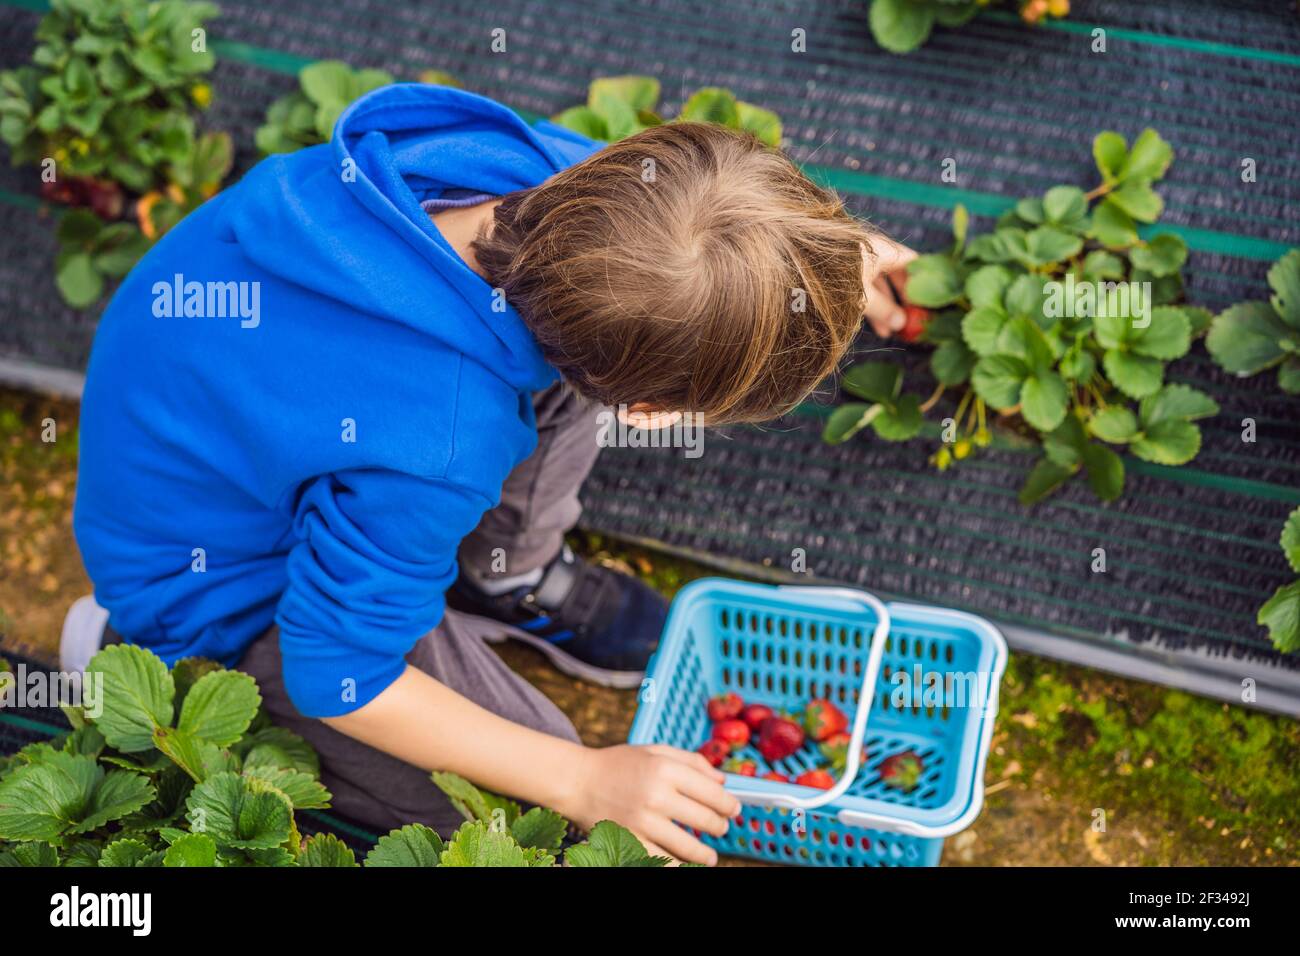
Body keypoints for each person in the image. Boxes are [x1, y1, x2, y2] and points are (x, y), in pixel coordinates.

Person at [66, 83, 917, 864]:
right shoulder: (436, 440)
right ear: (654, 416)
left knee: (596, 328)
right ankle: (126, 650)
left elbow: (690, 240)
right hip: (223, 587)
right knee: (542, 819)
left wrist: (813, 254)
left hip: (212, 423)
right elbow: (340, 675)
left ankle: (502, 577)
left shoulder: (537, 179)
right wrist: (582, 780)